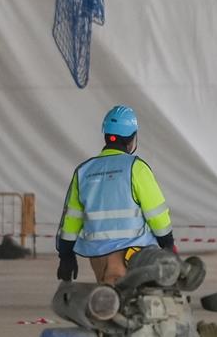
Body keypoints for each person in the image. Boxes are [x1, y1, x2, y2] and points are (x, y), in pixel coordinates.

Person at [56, 105, 176, 285]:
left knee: (107, 302)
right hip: (132, 254)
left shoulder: (84, 171)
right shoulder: (136, 167)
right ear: (132, 138)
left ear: (105, 135)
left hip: (98, 256)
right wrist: (167, 244)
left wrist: (66, 255)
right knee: (136, 304)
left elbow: (71, 219)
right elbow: (156, 213)